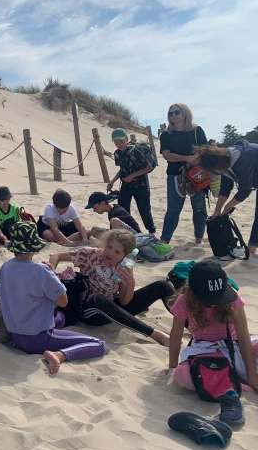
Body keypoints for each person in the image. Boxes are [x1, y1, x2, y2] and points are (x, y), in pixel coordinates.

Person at [0, 221, 106, 374]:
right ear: (34, 247)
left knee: (60, 319)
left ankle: (54, 344)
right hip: (36, 338)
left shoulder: (6, 267)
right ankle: (59, 356)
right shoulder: (40, 271)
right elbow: (63, 302)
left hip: (15, 333)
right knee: (98, 344)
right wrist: (53, 275)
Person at [168, 261, 257, 425]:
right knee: (182, 375)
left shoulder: (232, 298)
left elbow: (244, 336)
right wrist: (172, 366)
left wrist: (252, 376)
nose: (215, 302)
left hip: (234, 345)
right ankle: (230, 392)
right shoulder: (184, 301)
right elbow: (176, 336)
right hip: (205, 351)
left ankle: (237, 380)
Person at [49, 229, 173, 345]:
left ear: (125, 255)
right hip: (89, 310)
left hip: (111, 306)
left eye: (117, 252)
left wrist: (130, 283)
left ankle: (183, 321)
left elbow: (124, 302)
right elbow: (56, 256)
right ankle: (154, 334)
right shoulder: (90, 254)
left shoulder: (124, 266)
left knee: (163, 286)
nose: (110, 253)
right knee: (98, 298)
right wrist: (52, 270)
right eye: (109, 247)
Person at [159, 103, 208, 244]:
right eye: (170, 113)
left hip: (197, 174)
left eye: (177, 112)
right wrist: (187, 158)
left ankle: (199, 239)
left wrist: (195, 159)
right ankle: (164, 241)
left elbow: (205, 150)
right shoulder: (166, 134)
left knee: (199, 208)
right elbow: (167, 155)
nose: (173, 115)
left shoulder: (197, 130)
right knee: (173, 210)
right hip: (175, 175)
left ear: (185, 113)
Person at [200, 141, 258, 256]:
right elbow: (226, 187)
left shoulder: (243, 159)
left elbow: (245, 190)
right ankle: (252, 247)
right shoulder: (224, 160)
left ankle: (252, 247)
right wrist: (217, 210)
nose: (211, 175)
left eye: (211, 171)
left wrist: (228, 206)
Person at [108, 128, 156, 235]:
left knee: (144, 209)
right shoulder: (117, 153)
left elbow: (149, 167)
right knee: (122, 208)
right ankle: (126, 232)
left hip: (141, 184)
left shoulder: (136, 151)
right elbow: (122, 169)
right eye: (116, 142)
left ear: (126, 139)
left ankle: (152, 232)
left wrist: (132, 176)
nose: (119, 144)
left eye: (121, 141)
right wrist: (112, 181)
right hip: (126, 184)